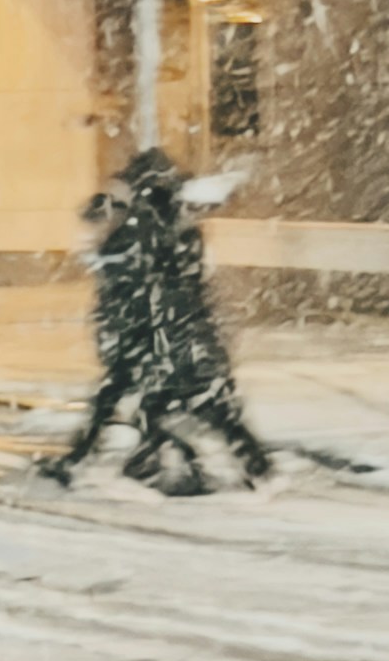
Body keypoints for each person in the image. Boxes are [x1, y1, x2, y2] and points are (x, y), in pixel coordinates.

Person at [42, 148, 271, 493]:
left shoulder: (139, 227)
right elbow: (189, 278)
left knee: (124, 398)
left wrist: (101, 223)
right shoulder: (182, 228)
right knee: (210, 403)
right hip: (183, 328)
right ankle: (250, 464)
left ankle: (99, 460)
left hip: (146, 331)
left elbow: (113, 267)